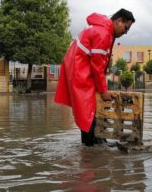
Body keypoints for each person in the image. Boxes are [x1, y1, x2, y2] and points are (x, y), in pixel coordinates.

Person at [54, 8, 135, 146]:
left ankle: (94, 146)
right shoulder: (103, 34)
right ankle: (93, 147)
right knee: (89, 111)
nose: (125, 33)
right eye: (126, 28)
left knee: (89, 111)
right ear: (118, 21)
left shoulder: (102, 30)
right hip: (80, 72)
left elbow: (98, 64)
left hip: (78, 69)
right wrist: (104, 91)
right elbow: (97, 66)